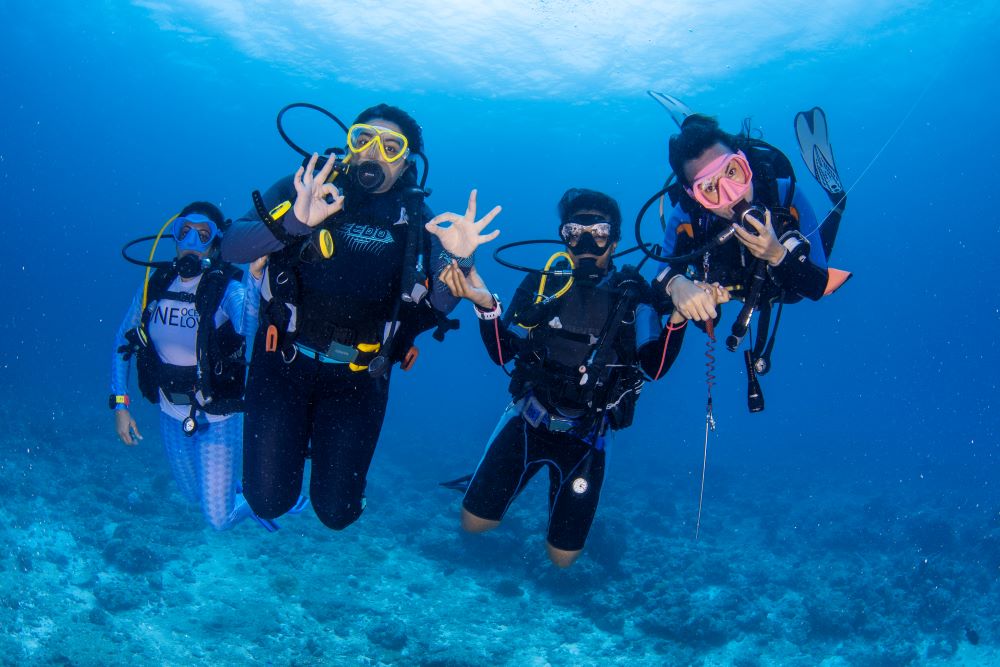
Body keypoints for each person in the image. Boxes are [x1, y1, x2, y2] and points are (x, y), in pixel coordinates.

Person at [222, 103, 501, 531]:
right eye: (363, 139)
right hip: (282, 364)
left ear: (406, 162)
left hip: (360, 378)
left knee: (338, 514)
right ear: (349, 146)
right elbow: (232, 248)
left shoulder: (419, 223)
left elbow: (441, 304)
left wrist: (461, 261)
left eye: (391, 147)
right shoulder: (306, 189)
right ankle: (285, 461)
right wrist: (294, 221)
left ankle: (328, 466)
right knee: (267, 501)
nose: (374, 153)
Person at [439, 188, 711, 567]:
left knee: (562, 560)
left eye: (599, 232)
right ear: (563, 237)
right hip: (528, 420)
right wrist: (486, 307)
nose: (586, 243)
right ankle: (486, 475)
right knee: (473, 525)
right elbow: (504, 354)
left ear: (615, 241)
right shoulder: (541, 283)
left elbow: (653, 367)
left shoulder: (633, 294)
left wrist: (678, 321)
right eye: (574, 232)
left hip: (589, 438)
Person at [654, 115, 839, 409]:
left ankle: (837, 200)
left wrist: (777, 255)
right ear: (694, 196)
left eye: (732, 171)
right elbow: (662, 272)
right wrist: (677, 285)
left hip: (787, 286)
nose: (731, 194)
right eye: (709, 189)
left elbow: (817, 287)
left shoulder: (785, 193)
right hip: (734, 288)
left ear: (745, 162)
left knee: (812, 268)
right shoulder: (686, 216)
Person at [111, 202, 271, 530]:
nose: (192, 243)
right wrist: (120, 404)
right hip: (171, 413)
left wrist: (255, 280)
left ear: (216, 243)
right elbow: (121, 343)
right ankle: (229, 488)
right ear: (174, 235)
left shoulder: (226, 287)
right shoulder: (155, 285)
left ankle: (259, 503)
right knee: (189, 494)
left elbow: (248, 325)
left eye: (203, 235)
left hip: (217, 417)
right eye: (185, 232)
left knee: (218, 519)